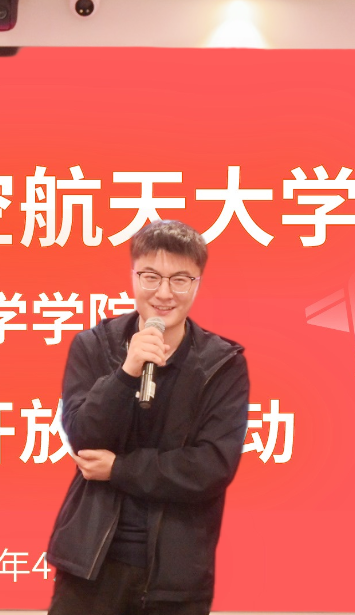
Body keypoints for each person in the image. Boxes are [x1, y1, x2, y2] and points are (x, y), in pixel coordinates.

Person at [46, 219, 250, 615]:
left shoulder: (222, 365)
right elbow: (84, 437)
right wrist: (126, 373)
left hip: (176, 578)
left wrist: (119, 469)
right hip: (91, 568)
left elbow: (211, 467)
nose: (164, 293)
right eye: (151, 276)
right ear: (133, 275)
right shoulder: (94, 346)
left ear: (197, 283)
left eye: (180, 279)